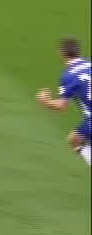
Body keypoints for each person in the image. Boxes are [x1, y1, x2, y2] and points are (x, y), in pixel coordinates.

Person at [34, 37, 91, 166]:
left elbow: (60, 106)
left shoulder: (68, 75)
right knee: (78, 138)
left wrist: (45, 100)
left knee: (74, 140)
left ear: (61, 53)